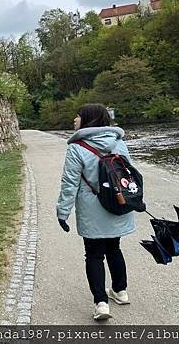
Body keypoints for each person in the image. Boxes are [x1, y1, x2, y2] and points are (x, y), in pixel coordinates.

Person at [56, 103, 136, 321]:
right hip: (117, 204)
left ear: (88, 119)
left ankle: (101, 303)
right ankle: (120, 291)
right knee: (114, 248)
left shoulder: (77, 147)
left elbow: (69, 183)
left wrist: (62, 212)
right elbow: (129, 175)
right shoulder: (119, 143)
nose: (74, 119)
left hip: (92, 209)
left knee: (93, 254)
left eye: (78, 116)